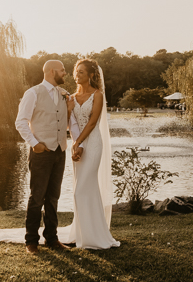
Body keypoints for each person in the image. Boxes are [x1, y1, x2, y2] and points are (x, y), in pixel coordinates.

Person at [0, 58, 119, 251]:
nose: (66, 74)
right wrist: (35, 144)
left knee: (53, 197)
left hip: (59, 152)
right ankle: (31, 241)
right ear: (52, 71)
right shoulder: (33, 93)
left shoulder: (64, 95)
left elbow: (71, 123)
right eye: (62, 70)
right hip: (40, 152)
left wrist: (75, 143)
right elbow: (21, 122)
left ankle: (52, 239)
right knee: (37, 197)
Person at [65, 58, 120, 249]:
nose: (77, 75)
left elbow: (92, 122)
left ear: (90, 75)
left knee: (83, 187)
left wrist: (80, 142)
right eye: (76, 71)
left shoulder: (98, 95)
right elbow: (69, 124)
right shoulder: (70, 98)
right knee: (81, 188)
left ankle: (94, 237)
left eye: (81, 72)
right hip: (76, 144)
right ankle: (83, 232)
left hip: (93, 143)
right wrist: (75, 143)